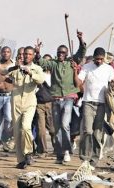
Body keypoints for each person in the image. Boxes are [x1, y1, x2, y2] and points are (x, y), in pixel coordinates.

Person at [38, 31, 86, 163]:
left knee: (65, 125)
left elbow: (81, 52)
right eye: (58, 53)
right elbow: (42, 63)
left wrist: (80, 40)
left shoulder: (72, 63)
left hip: (68, 99)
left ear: (66, 54)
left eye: (62, 53)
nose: (60, 55)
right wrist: (38, 52)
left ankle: (66, 150)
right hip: (55, 98)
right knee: (57, 127)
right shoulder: (53, 64)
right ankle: (60, 154)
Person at [73, 47, 114, 166]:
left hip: (101, 104)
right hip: (88, 102)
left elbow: (113, 86)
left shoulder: (109, 69)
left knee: (97, 133)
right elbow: (78, 83)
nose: (99, 61)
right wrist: (75, 71)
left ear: (104, 58)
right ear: (94, 58)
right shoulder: (87, 67)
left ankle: (94, 159)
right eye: (97, 59)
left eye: (101, 59)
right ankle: (85, 158)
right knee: (87, 131)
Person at [5, 46, 45, 169]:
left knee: (26, 127)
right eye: (25, 54)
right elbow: (3, 73)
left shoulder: (37, 68)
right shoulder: (16, 68)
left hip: (29, 103)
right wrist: (16, 67)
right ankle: (21, 160)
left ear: (33, 56)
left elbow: (41, 80)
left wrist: (30, 72)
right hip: (16, 102)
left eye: (29, 54)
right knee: (17, 132)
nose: (26, 56)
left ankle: (28, 152)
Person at [0, 46, 15, 156]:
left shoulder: (14, 66)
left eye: (8, 51)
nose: (5, 53)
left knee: (9, 119)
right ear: (0, 53)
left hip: (10, 96)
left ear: (11, 53)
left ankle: (7, 139)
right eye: (3, 52)